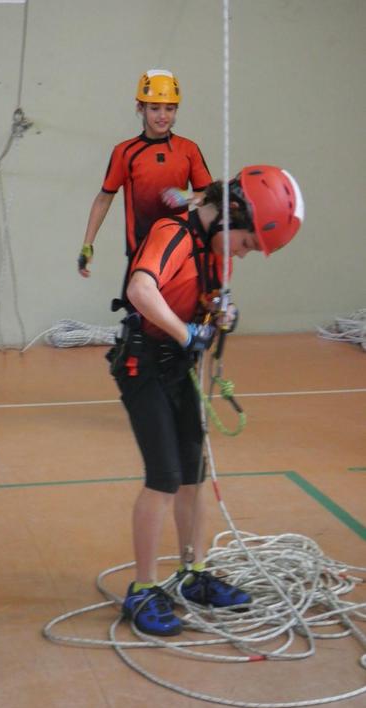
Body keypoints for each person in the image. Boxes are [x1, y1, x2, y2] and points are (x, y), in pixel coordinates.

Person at [107, 165, 305, 636]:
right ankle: (142, 589)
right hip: (144, 366)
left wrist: (219, 315)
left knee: (193, 473)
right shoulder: (171, 233)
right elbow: (141, 289)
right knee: (165, 477)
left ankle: (192, 574)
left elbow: (204, 300)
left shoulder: (213, 251)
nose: (245, 253)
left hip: (177, 367)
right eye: (248, 242)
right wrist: (187, 332)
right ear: (230, 214)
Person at [77, 69, 212, 303]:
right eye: (154, 108)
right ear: (140, 108)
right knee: (141, 320)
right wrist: (87, 244)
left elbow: (210, 196)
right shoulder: (125, 152)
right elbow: (104, 198)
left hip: (179, 249)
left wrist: (188, 197)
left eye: (169, 108)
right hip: (140, 249)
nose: (162, 116)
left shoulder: (188, 150)